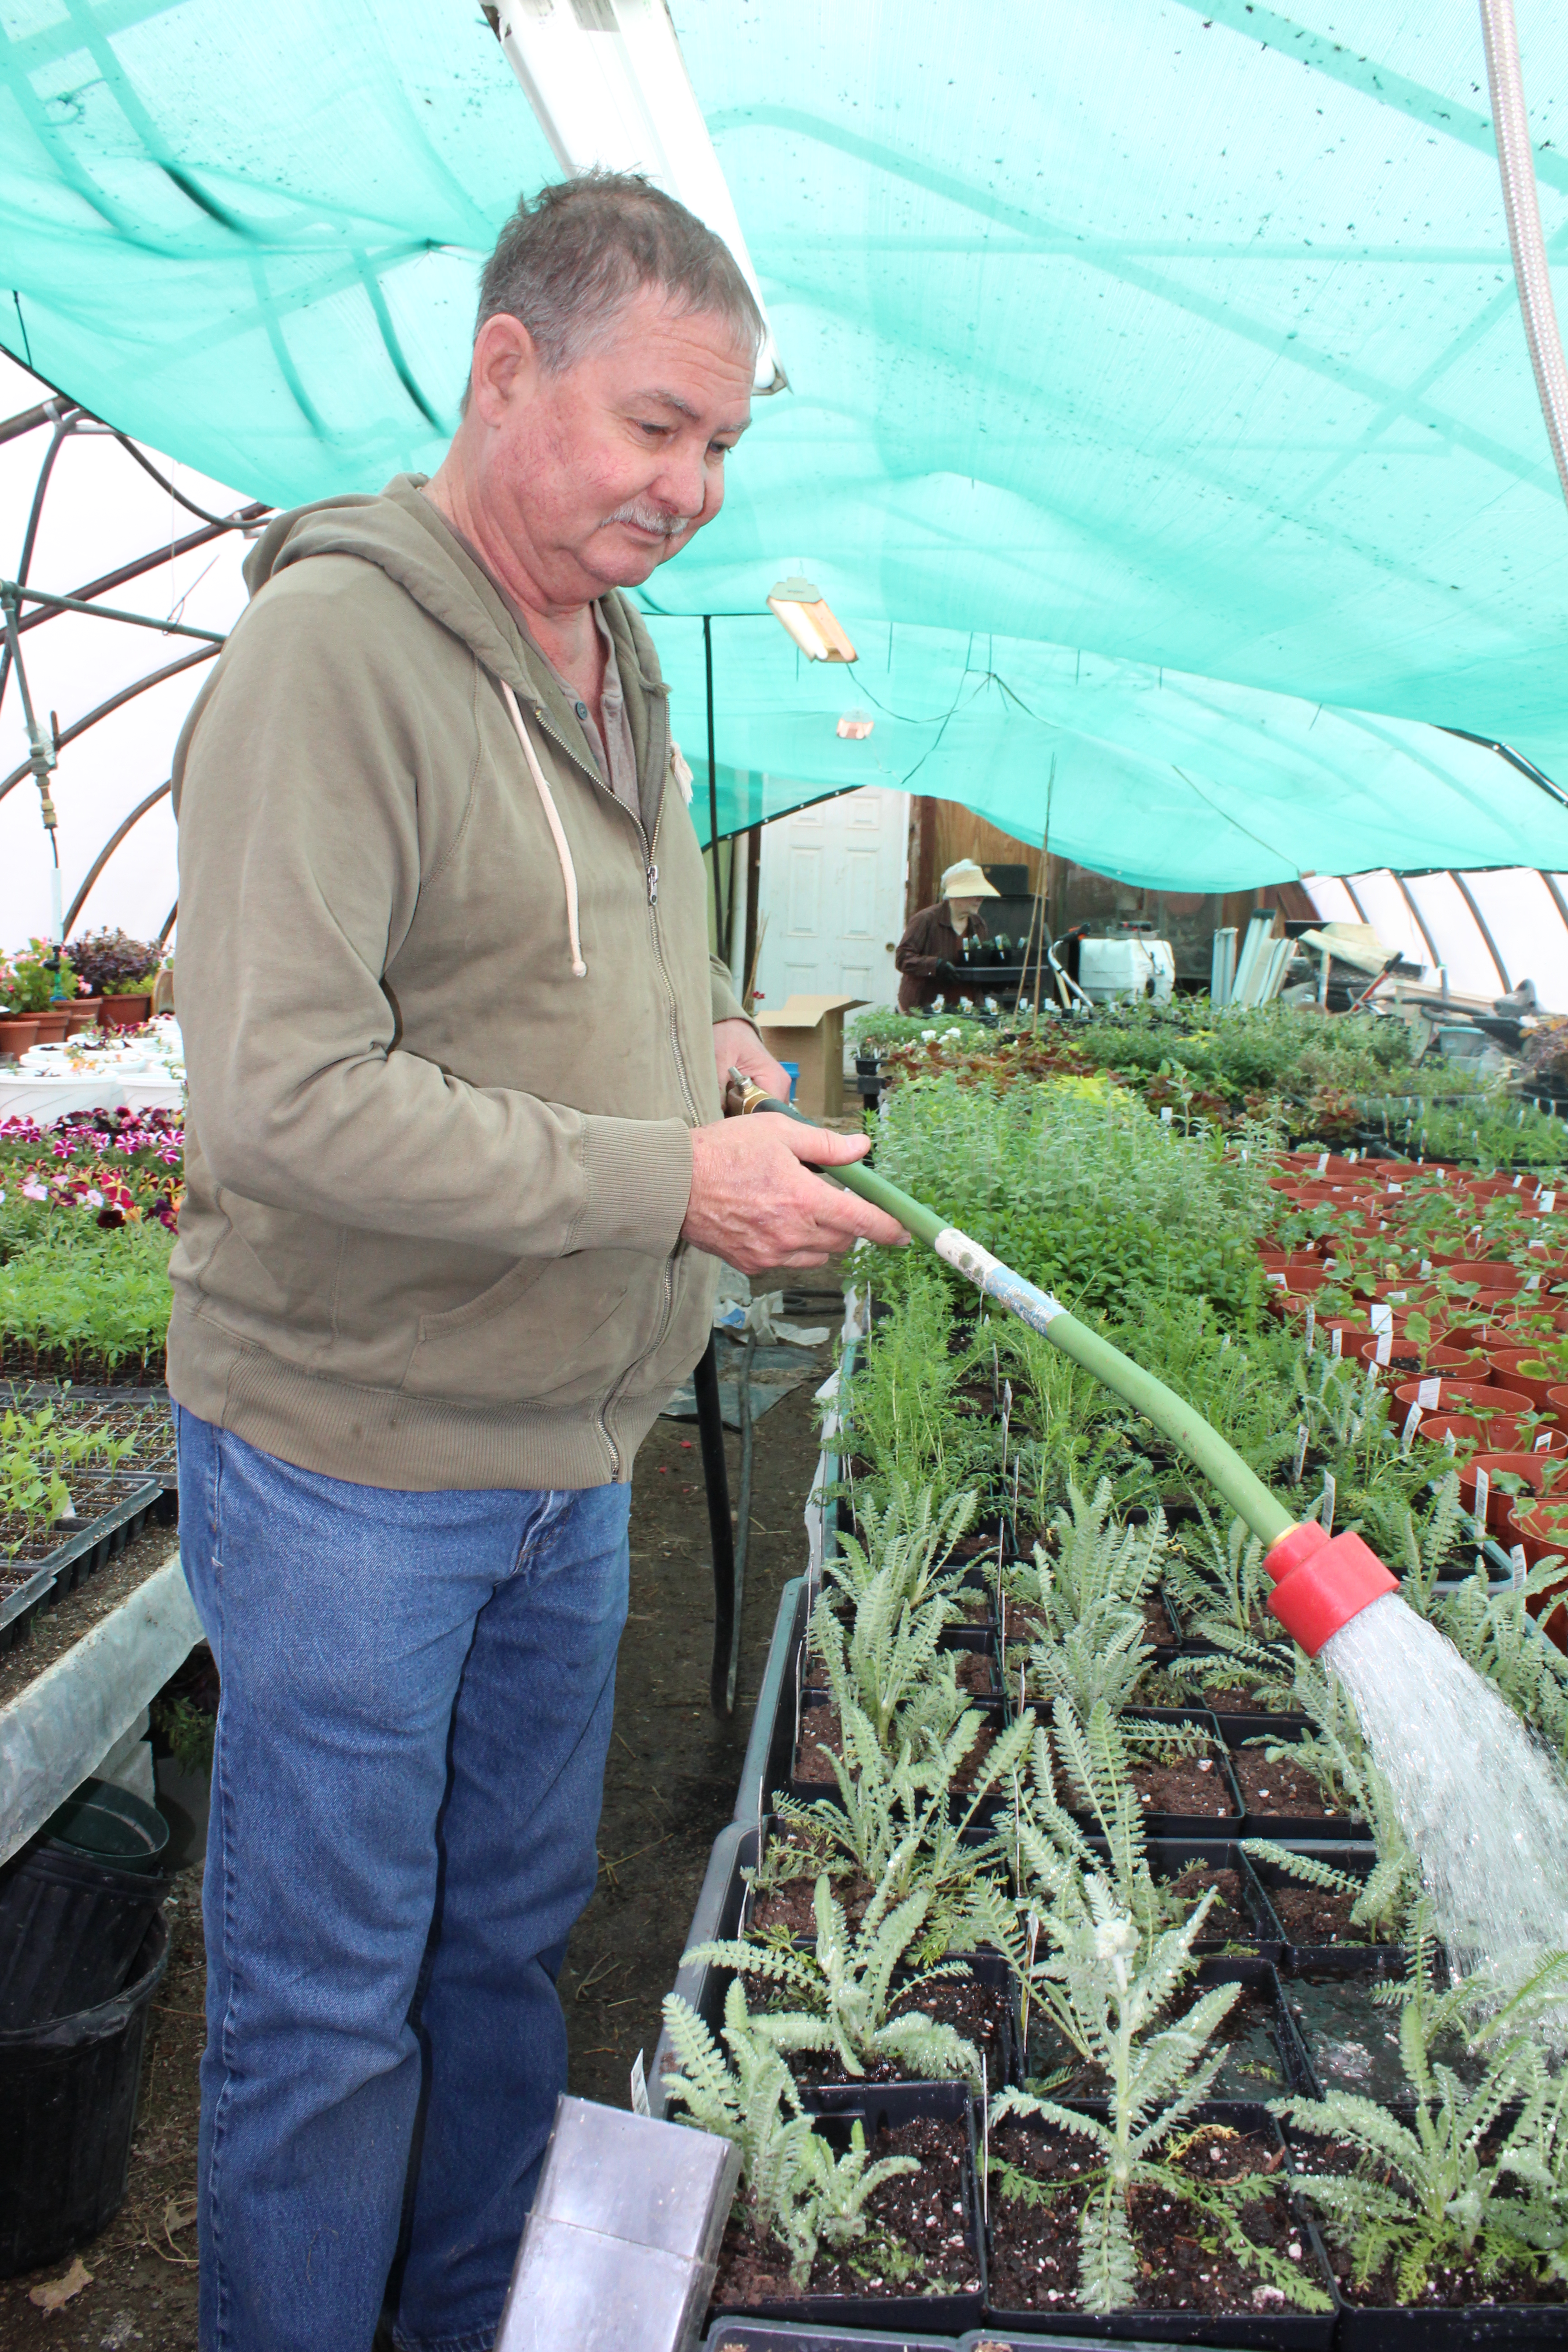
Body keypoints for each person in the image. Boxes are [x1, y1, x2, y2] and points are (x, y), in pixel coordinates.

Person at [169, 172, 906, 2352]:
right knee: (329, 2007)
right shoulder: (339, 650)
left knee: (500, 1951)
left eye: (720, 452)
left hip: (563, 1447)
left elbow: (515, 960)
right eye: (654, 428)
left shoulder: (610, 645)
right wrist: (667, 1180)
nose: (686, 490)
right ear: (505, 370)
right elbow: (284, 1101)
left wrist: (682, 1038)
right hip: (356, 1463)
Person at [893, 857, 1000, 1011]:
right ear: (956, 896)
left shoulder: (978, 924)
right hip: (925, 1010)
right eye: (975, 893)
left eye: (982, 893)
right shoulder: (926, 920)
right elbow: (902, 958)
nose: (980, 898)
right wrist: (935, 966)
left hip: (966, 1012)